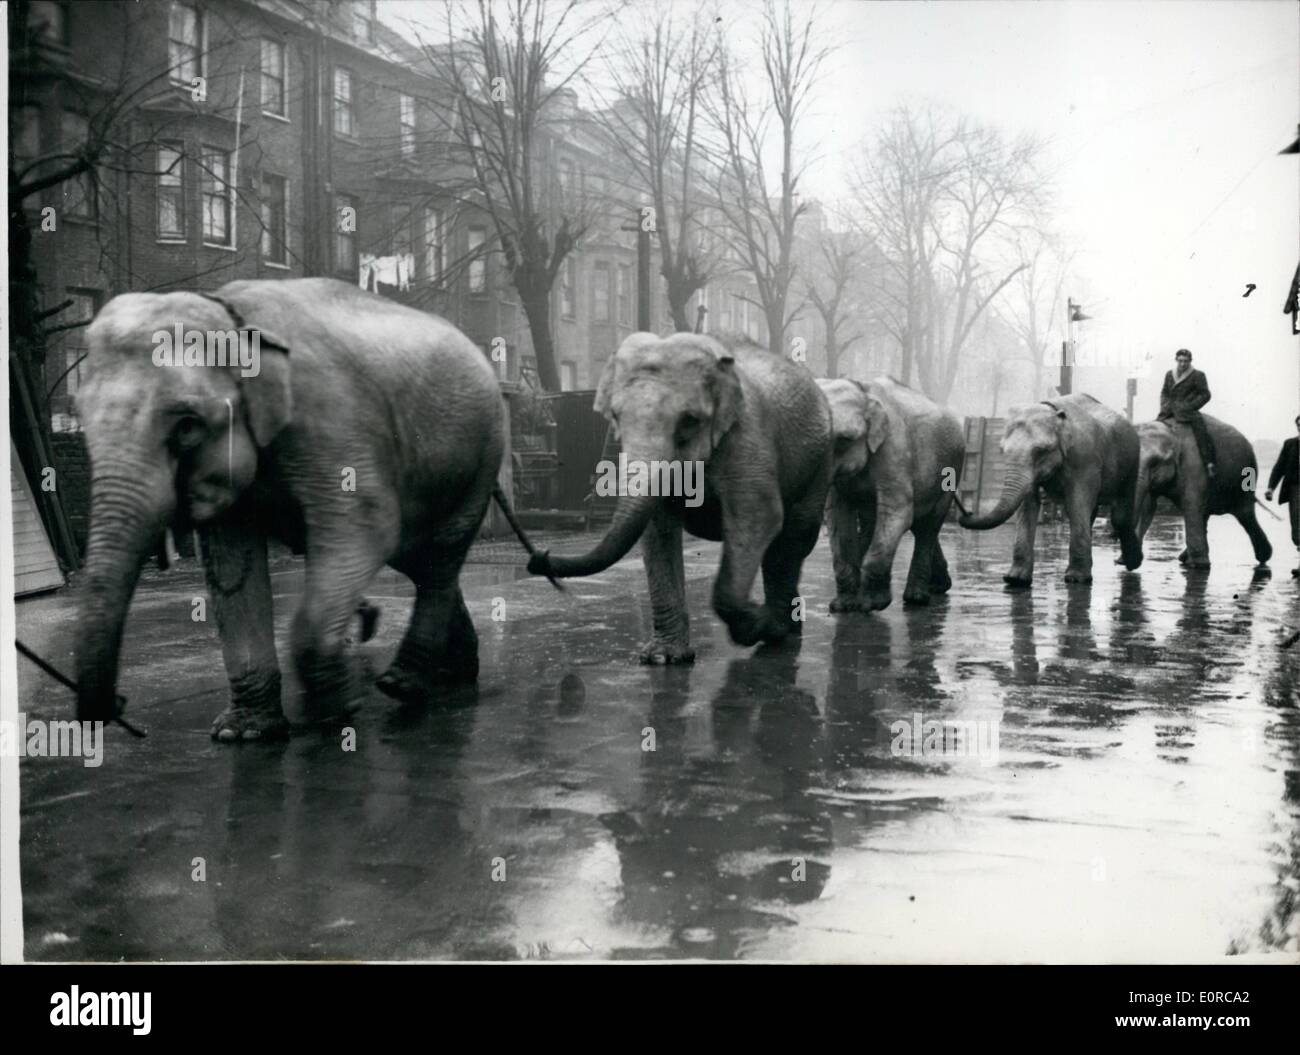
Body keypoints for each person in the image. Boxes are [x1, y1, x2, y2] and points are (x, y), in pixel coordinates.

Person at [1158, 348, 1216, 475]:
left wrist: (1190, 406)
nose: (1183, 364)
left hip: (1188, 412)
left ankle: (1209, 463)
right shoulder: (1169, 374)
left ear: (1190, 361)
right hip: (1168, 411)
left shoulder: (1198, 375)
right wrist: (1165, 405)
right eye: (1180, 361)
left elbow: (1205, 394)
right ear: (1176, 360)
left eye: (1185, 361)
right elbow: (1164, 392)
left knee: (1202, 434)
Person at [1264, 414, 1300, 576]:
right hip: (1295, 490)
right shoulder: (1290, 444)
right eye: (1299, 425)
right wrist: (1271, 488)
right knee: (1297, 529)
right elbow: (1279, 467)